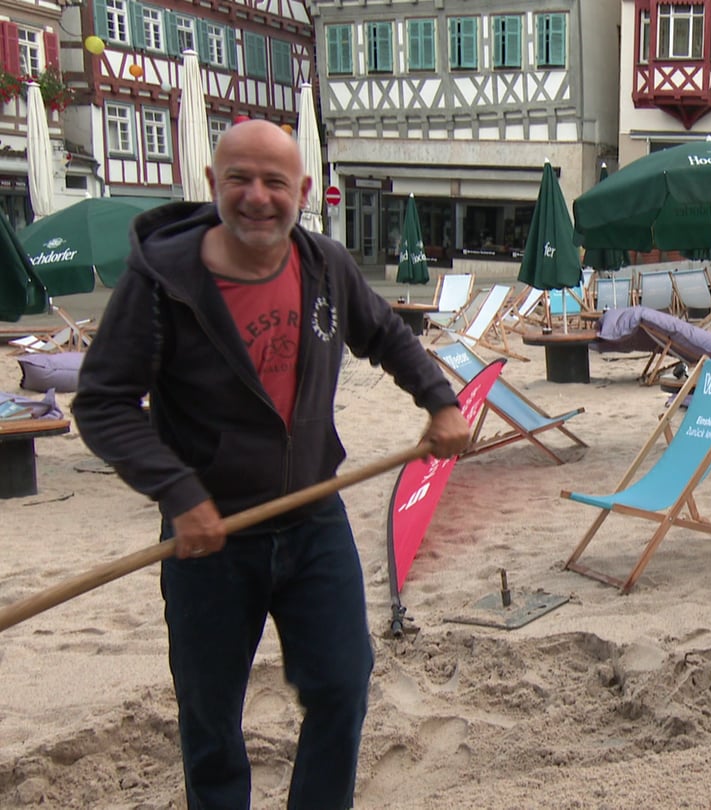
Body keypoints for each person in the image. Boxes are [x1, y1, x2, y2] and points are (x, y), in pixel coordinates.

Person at [72, 120, 471, 808]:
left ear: (303, 191)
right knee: (210, 716)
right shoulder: (162, 282)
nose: (257, 197)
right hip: (210, 539)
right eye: (240, 179)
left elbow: (388, 335)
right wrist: (177, 490)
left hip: (314, 517)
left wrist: (440, 401)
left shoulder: (325, 265)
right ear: (212, 184)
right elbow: (103, 401)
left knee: (342, 685)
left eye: (274, 182)